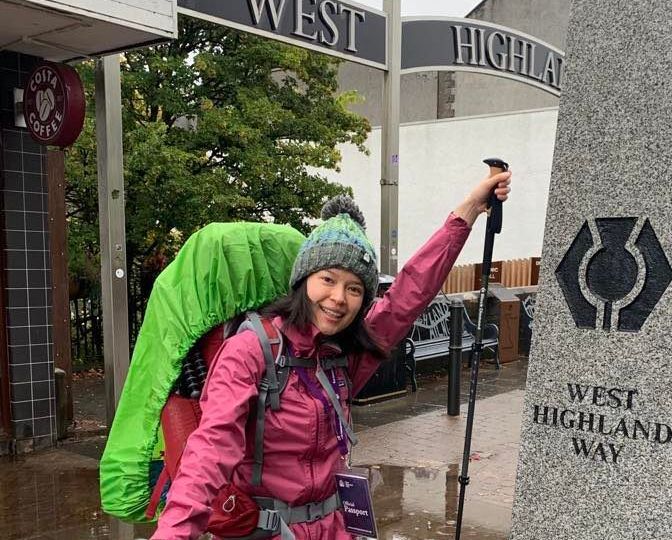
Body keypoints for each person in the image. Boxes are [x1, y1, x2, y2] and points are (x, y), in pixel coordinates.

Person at [152, 167, 512, 540]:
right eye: (328, 279)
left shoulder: (343, 354)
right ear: (303, 278)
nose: (339, 298)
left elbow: (410, 293)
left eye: (355, 288)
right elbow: (210, 451)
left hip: (336, 528)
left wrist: (468, 211)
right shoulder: (251, 351)